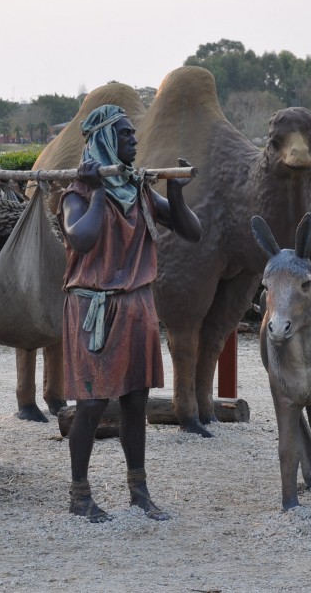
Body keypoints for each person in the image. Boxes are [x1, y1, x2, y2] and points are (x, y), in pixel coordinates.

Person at [57, 104, 202, 522]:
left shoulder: (137, 188)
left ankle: (138, 490)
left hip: (137, 306)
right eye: (124, 134)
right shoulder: (76, 193)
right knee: (90, 403)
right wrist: (99, 191)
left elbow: (191, 231)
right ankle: (79, 494)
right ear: (104, 140)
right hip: (94, 307)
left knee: (136, 401)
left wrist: (175, 191)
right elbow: (81, 240)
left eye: (132, 134)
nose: (134, 140)